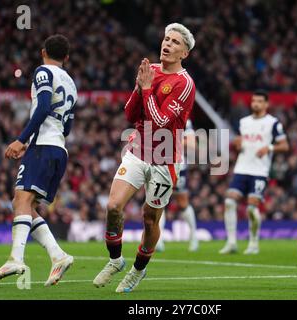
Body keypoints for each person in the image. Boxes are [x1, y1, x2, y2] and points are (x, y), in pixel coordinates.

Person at [93, 23, 196, 293]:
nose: (167, 44)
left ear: (184, 52)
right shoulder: (151, 73)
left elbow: (161, 121)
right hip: (138, 149)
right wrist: (140, 89)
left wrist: (147, 89)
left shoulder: (184, 84)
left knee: (150, 218)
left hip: (164, 157)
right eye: (166, 39)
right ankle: (115, 261)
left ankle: (138, 270)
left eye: (174, 42)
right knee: (114, 206)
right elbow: (130, 114)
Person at [0, 34, 77, 285]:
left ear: (43, 51)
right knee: (23, 203)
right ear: (66, 57)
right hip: (59, 148)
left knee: (22, 199)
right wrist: (32, 142)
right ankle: (58, 256)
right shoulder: (71, 83)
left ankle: (16, 259)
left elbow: (44, 106)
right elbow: (67, 127)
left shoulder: (43, 72)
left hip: (44, 146)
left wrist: (21, 138)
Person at [219, 90, 289, 254]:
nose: (255, 104)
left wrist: (269, 147)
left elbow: (285, 145)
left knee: (251, 208)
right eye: (253, 101)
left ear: (266, 104)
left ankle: (253, 243)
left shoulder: (273, 123)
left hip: (259, 171)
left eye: (259, 101)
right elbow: (240, 144)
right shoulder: (244, 122)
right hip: (241, 168)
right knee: (229, 202)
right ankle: (231, 243)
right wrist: (237, 144)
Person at [156, 119, 199, 252]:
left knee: (182, 202)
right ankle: (158, 239)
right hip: (158, 164)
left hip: (177, 166)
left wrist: (172, 142)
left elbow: (193, 144)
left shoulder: (184, 119)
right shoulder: (154, 115)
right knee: (157, 201)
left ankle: (193, 237)